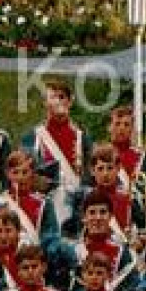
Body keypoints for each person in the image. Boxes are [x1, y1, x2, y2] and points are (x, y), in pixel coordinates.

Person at [24, 78, 90, 227]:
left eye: (62, 97)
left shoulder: (82, 136)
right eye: (53, 97)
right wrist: (35, 180)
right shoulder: (33, 136)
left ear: (70, 101)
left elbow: (89, 174)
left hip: (76, 205)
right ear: (45, 102)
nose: (58, 101)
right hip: (46, 203)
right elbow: (21, 172)